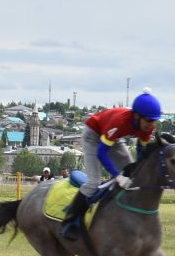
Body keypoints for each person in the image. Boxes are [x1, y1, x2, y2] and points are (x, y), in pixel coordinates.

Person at [62, 92, 164, 239]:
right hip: (93, 136)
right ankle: (70, 220)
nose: (152, 125)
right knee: (93, 182)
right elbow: (101, 153)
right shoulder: (121, 122)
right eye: (149, 120)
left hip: (114, 138)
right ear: (136, 116)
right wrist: (117, 175)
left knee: (133, 176)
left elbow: (141, 153)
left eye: (155, 121)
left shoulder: (147, 128)